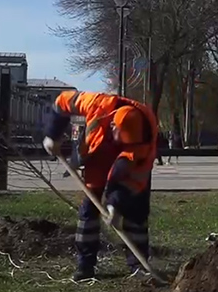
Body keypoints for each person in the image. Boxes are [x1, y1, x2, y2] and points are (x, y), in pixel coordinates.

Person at [43, 90, 159, 281]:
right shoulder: (95, 103)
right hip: (98, 157)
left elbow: (133, 180)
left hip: (127, 162)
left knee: (136, 210)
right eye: (120, 138)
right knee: (89, 211)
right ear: (113, 125)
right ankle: (85, 265)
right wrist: (52, 134)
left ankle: (139, 266)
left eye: (126, 142)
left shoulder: (143, 143)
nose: (121, 143)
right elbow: (62, 102)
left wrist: (115, 205)